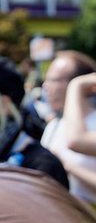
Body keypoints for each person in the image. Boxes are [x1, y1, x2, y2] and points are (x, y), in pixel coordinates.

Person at [40, 50, 96, 203]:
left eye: (53, 80)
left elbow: (76, 141)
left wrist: (66, 165)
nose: (45, 86)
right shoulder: (54, 125)